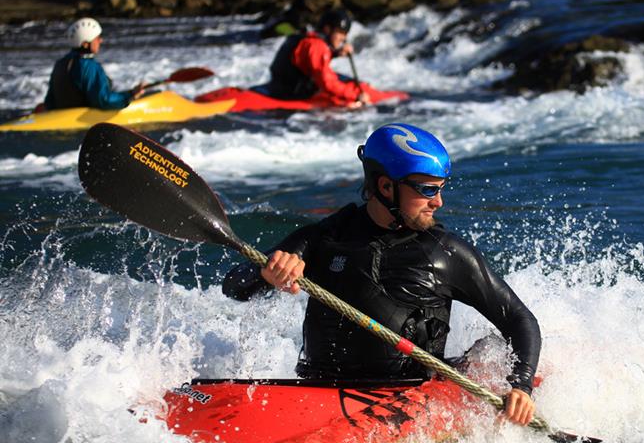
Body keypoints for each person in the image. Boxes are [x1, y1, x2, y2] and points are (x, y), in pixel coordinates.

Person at [222, 123, 541, 425]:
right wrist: (268, 274)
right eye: (427, 190)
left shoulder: (447, 254)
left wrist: (521, 386)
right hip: (318, 392)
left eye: (441, 189)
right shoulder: (325, 238)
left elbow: (518, 319)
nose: (438, 202)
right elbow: (234, 287)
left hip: (408, 398)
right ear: (386, 186)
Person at [262, 8, 372, 109]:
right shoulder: (317, 46)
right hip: (291, 94)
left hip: (278, 86)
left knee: (338, 77)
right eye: (340, 32)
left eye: (345, 34)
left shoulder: (307, 38)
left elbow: (311, 61)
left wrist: (336, 54)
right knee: (340, 84)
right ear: (327, 29)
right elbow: (327, 83)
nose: (343, 38)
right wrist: (356, 95)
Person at [43, 18, 146, 111]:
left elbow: (49, 102)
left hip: (60, 117)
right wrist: (130, 95)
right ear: (85, 44)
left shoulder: (60, 63)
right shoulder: (89, 66)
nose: (100, 40)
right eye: (97, 38)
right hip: (84, 120)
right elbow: (103, 101)